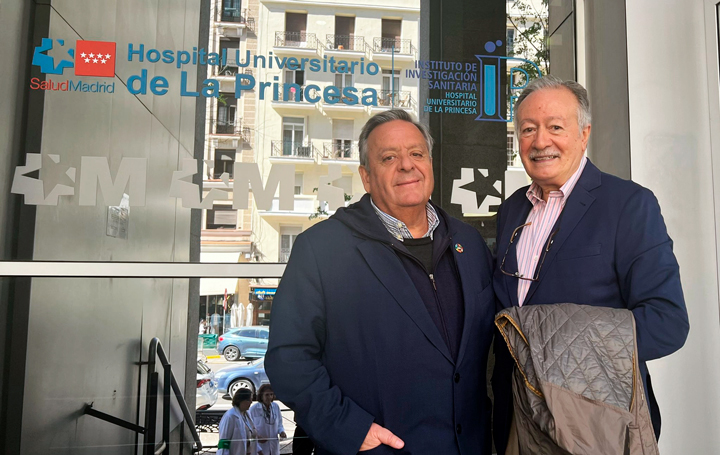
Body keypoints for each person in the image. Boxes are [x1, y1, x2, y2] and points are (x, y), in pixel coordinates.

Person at [265, 109, 496, 455]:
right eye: (389, 157)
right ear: (367, 176)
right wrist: (349, 429)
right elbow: (289, 358)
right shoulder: (322, 249)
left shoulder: (470, 244)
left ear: (430, 164)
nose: (407, 165)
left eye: (417, 154)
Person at [492, 75, 690, 454]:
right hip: (517, 418)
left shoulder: (629, 205)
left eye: (555, 127)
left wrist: (559, 355)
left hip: (595, 424)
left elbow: (668, 322)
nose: (540, 141)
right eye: (528, 129)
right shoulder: (512, 209)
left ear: (584, 134)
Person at [218, 388, 263, 455]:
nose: (251, 401)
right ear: (241, 400)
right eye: (248, 399)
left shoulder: (247, 414)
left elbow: (252, 436)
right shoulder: (230, 416)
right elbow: (224, 441)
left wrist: (259, 451)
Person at [249, 384, 287, 455]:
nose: (269, 397)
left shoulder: (275, 407)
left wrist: (281, 432)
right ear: (261, 396)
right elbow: (249, 427)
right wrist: (257, 437)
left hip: (273, 444)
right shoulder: (254, 409)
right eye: (266, 395)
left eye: (271, 394)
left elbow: (279, 423)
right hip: (260, 445)